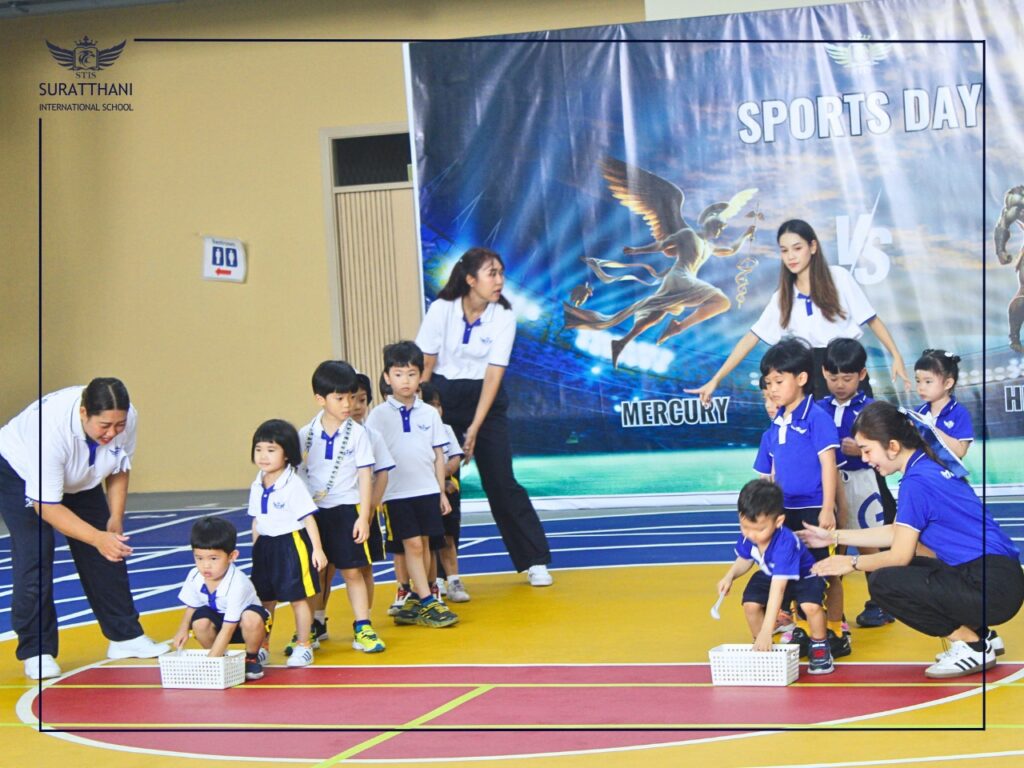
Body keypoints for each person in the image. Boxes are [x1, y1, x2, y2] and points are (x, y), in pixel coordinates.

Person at [801, 400, 1024, 679]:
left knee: (884, 582)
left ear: (893, 446)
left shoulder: (917, 482)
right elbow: (897, 532)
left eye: (868, 450)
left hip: (992, 588)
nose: (866, 459)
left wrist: (850, 562)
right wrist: (833, 535)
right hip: (998, 580)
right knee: (906, 569)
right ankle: (983, 635)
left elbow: (899, 555)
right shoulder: (924, 468)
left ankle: (972, 644)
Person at [0, 379, 169, 680]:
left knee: (109, 549)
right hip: (19, 473)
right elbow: (46, 506)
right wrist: (96, 537)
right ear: (83, 413)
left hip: (79, 475)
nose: (113, 432)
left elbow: (119, 466)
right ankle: (36, 651)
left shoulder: (125, 418)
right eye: (104, 426)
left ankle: (124, 635)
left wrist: (114, 518)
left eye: (119, 425)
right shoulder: (49, 431)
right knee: (35, 556)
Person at [416, 246, 553, 587]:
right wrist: (423, 414)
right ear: (470, 279)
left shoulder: (504, 315)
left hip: (485, 401)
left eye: (502, 273)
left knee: (501, 482)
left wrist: (475, 428)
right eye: (492, 273)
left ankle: (534, 560)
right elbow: (426, 365)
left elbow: (494, 375)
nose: (500, 280)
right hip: (442, 399)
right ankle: (441, 575)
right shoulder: (441, 309)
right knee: (442, 484)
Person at [688, 219, 910, 403]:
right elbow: (751, 337)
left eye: (797, 248)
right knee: (819, 438)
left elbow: (871, 319)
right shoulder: (783, 296)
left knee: (858, 434)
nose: (791, 256)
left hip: (845, 366)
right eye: (784, 250)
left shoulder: (839, 278)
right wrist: (716, 379)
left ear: (813, 247)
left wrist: (896, 355)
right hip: (808, 375)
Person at [752, 338, 846, 658]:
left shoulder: (816, 417)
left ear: (802, 378)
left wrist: (828, 509)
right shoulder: (775, 424)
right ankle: (802, 630)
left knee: (824, 573)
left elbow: (828, 464)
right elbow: (768, 475)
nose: (773, 389)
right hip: (784, 512)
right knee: (792, 571)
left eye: (779, 381)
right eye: (768, 383)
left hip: (813, 509)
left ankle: (836, 631)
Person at [365, 341, 459, 628]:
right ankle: (428, 601)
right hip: (396, 493)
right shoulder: (378, 416)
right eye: (398, 374)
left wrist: (441, 491)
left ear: (420, 376)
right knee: (413, 544)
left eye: (411, 374)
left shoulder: (429, 413)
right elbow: (371, 458)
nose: (405, 380)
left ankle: (419, 598)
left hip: (427, 490)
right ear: (387, 377)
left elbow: (438, 455)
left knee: (426, 544)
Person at [299, 361, 385, 655]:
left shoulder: (358, 434)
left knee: (352, 572)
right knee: (315, 574)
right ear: (320, 399)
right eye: (339, 398)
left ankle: (363, 626)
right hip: (314, 514)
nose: (348, 404)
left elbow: (365, 476)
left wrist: (364, 517)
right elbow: (298, 476)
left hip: (348, 510)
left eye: (351, 397)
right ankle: (313, 625)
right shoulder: (305, 434)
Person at [817, 338, 897, 629]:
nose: (840, 384)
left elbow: (889, 447)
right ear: (823, 372)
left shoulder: (872, 409)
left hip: (864, 482)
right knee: (832, 544)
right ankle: (829, 608)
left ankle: (882, 602)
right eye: (834, 377)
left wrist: (861, 450)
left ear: (862, 374)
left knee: (868, 544)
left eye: (847, 378)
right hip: (829, 485)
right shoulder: (817, 409)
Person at [717, 478, 833, 674]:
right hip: (773, 574)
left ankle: (820, 645)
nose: (751, 535)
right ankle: (762, 647)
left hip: (805, 576)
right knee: (750, 605)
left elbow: (778, 589)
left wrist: (767, 628)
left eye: (759, 529)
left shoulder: (785, 543)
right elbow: (745, 558)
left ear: (778, 521)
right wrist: (730, 576)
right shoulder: (749, 535)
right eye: (745, 527)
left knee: (810, 607)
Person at [247, 419, 327, 668]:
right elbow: (257, 520)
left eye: (271, 450)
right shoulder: (257, 483)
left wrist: (317, 550)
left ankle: (304, 645)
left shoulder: (293, 484)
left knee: (298, 598)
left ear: (287, 454)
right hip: (266, 546)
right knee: (264, 600)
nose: (263, 456)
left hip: (291, 544)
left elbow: (308, 519)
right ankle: (263, 646)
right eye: (259, 449)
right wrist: (256, 548)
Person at [172, 516, 269, 680]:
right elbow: (192, 606)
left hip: (243, 626)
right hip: (220, 622)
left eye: (213, 559)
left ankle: (251, 657)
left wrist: (210, 665)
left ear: (232, 556)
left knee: (251, 618)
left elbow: (228, 628)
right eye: (199, 558)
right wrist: (182, 630)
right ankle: (222, 658)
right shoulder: (194, 575)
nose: (205, 565)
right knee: (199, 622)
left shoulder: (238, 583)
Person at [421, 381, 470, 603]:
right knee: (429, 543)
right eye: (430, 404)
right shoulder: (417, 432)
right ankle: (433, 582)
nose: (436, 409)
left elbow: (455, 458)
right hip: (425, 494)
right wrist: (438, 479)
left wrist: (445, 474)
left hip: (447, 494)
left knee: (448, 538)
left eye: (438, 405)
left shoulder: (446, 429)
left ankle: (454, 581)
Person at [913, 349, 973, 459]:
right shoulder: (917, 413)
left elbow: (960, 451)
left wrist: (929, 427)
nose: (921, 387)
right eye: (918, 381)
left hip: (946, 470)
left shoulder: (960, 413)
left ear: (948, 383)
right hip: (922, 469)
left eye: (928, 381)